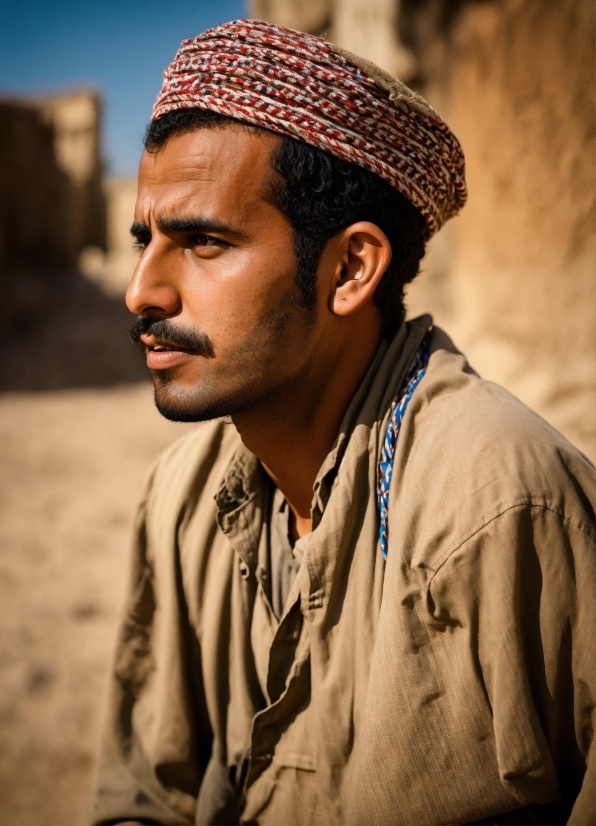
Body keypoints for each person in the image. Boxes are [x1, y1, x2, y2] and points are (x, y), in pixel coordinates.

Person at [92, 19, 595, 826]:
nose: (142, 291)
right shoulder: (181, 498)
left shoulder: (499, 508)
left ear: (351, 269)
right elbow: (147, 795)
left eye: (204, 242)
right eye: (145, 239)